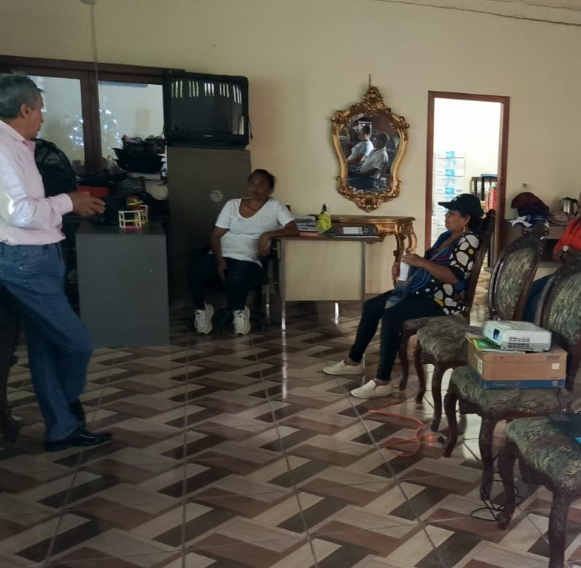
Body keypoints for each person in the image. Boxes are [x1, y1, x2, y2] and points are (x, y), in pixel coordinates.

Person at [0, 73, 110, 452]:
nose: (43, 117)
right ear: (25, 109)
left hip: (36, 255)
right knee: (78, 343)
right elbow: (20, 212)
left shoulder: (13, 144)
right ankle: (68, 404)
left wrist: (65, 205)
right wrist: (68, 201)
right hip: (22, 259)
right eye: (40, 110)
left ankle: (61, 429)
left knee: (45, 346)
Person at [323, 194, 483, 398]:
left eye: (451, 213)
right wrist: (406, 266)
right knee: (372, 306)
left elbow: (453, 277)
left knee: (391, 314)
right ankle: (353, 362)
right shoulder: (446, 237)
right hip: (422, 291)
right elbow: (429, 266)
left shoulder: (469, 241)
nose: (446, 216)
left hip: (443, 301)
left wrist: (421, 262)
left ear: (466, 218)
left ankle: (383, 381)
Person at [189, 169, 298, 336]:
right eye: (252, 184)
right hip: (222, 254)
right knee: (195, 270)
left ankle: (240, 311)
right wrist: (219, 261)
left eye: (261, 185)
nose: (255, 188)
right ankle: (202, 310)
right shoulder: (232, 205)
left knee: (236, 276)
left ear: (270, 189)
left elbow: (293, 230)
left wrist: (267, 235)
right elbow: (216, 235)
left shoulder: (275, 206)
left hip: (249, 258)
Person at [521, 181, 581, 322]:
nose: (580, 201)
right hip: (563, 275)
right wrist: (569, 254)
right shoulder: (574, 223)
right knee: (525, 294)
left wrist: (570, 251)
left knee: (537, 304)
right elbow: (557, 252)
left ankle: (544, 334)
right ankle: (520, 331)